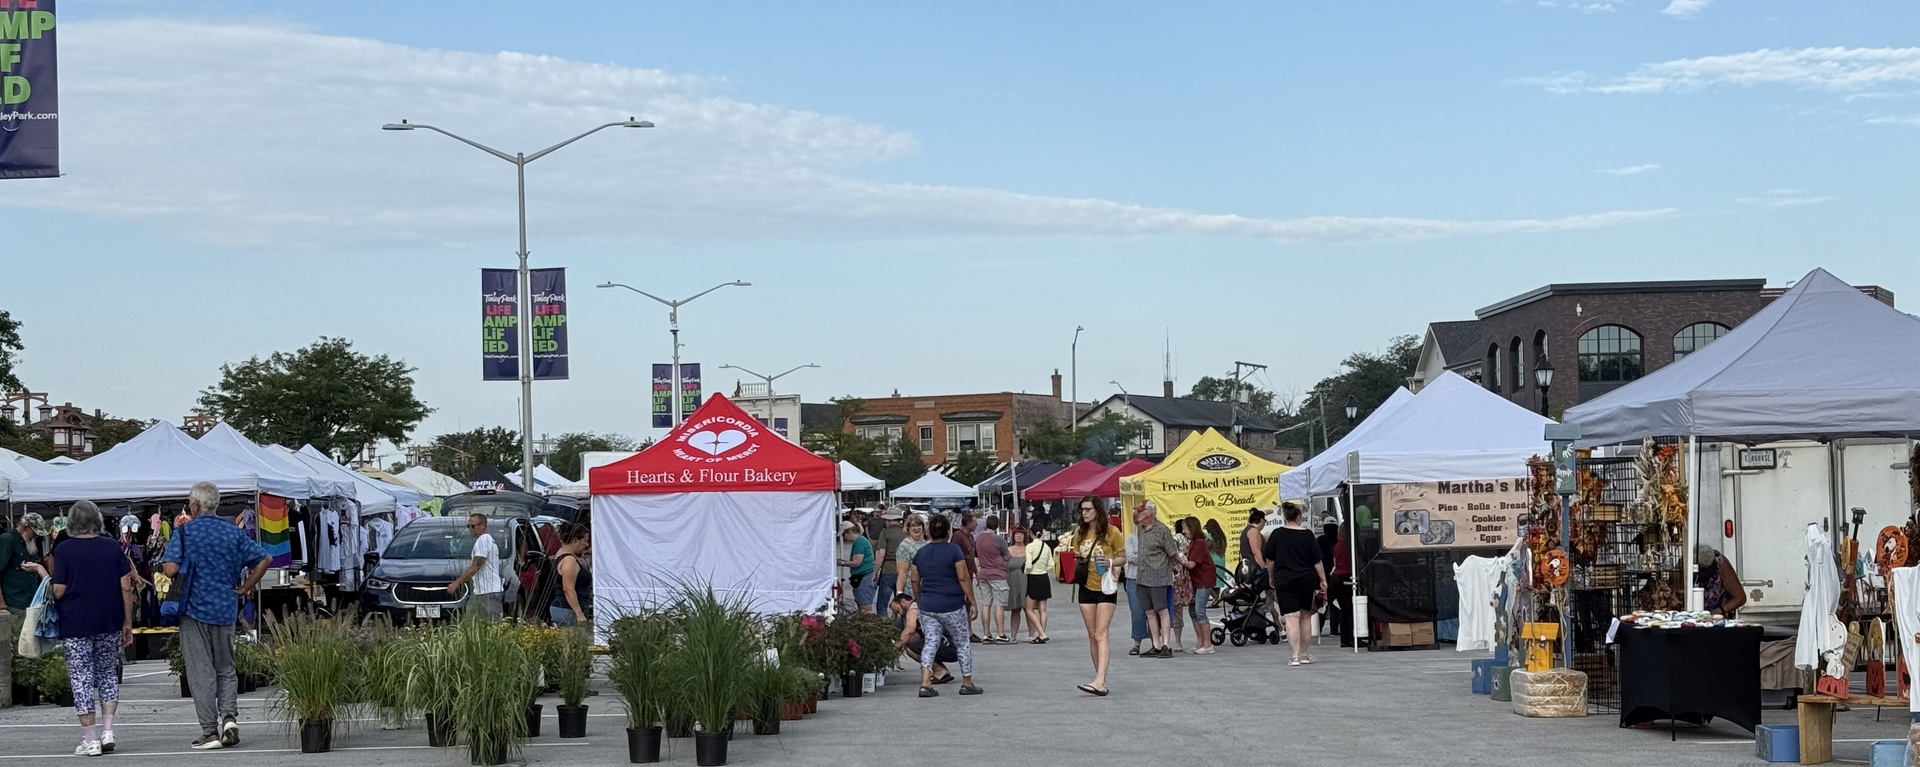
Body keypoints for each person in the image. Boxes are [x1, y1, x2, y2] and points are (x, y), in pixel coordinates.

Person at [161, 481, 271, 750]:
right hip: (224, 607)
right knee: (226, 667)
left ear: (195, 505)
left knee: (201, 671)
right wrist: (245, 587)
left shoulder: (185, 532)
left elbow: (170, 570)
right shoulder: (232, 532)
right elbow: (264, 559)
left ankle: (210, 731)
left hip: (194, 608)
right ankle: (229, 718)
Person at [49, 501, 137, 757]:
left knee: (81, 678)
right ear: (97, 520)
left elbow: (59, 590)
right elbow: (126, 586)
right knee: (108, 673)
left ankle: (90, 740)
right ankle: (108, 731)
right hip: (109, 619)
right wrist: (127, 622)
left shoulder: (64, 550)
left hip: (76, 621)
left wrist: (44, 575)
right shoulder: (112, 547)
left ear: (72, 522)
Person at [908, 515, 983, 697]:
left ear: (929, 531)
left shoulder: (920, 553)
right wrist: (972, 601)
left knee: (930, 643)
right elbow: (963, 577)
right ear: (949, 531)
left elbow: (915, 580)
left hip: (928, 606)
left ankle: (925, 684)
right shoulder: (954, 551)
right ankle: (967, 683)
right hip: (952, 605)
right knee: (962, 643)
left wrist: (919, 600)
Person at [1262, 502, 1328, 667]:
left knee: (1291, 617)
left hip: (1285, 579)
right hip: (1306, 579)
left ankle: (1295, 656)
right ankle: (1305, 654)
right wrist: (1323, 579)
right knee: (1305, 616)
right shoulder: (1308, 535)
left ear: (1285, 517)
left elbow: (1270, 560)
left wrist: (1271, 577)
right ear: (1299, 517)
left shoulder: (1277, 534)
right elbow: (1317, 561)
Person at [1072, 496, 1126, 696]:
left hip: (1106, 586)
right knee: (1092, 635)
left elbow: (1123, 557)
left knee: (1101, 634)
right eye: (1082, 509)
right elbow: (1077, 555)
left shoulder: (1112, 532)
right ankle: (1099, 679)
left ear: (1097, 510)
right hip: (1086, 585)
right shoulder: (1080, 532)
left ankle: (1100, 680)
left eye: (1088, 509)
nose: (1084, 513)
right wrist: (1080, 560)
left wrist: (1110, 561)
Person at [1132, 501, 1181, 659]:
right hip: (1142, 576)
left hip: (1158, 576)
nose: (1137, 513)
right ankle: (1156, 644)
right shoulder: (1141, 529)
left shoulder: (1162, 530)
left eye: (1140, 511)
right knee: (1149, 611)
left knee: (1162, 609)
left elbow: (1172, 552)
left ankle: (1166, 645)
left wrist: (1178, 567)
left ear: (1150, 512)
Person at [889, 592, 958, 684]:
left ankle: (939, 670)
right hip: (953, 645)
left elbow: (909, 630)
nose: (899, 615)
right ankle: (942, 670)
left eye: (898, 611)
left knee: (911, 649)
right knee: (913, 644)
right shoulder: (921, 606)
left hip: (949, 645)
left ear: (903, 601)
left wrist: (896, 647)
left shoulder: (913, 609)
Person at [447, 513, 504, 620]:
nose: (470, 529)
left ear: (482, 526)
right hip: (479, 592)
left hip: (488, 592)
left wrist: (457, 582)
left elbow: (477, 565)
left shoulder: (484, 540)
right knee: (469, 623)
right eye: (468, 526)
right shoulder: (484, 540)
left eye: (473, 526)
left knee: (493, 624)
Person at [0, 512, 52, 614]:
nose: (36, 536)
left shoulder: (29, 542)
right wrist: (1, 603)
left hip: (31, 601)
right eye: (34, 532)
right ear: (25, 527)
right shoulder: (7, 540)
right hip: (14, 603)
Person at [1179, 517, 1218, 654]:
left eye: (1185, 528)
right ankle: (1200, 642)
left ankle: (1208, 644)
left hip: (1204, 581)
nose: (1183, 531)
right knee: (1193, 611)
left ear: (1192, 528)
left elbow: (1191, 564)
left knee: (1200, 611)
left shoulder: (1200, 543)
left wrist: (1179, 559)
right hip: (1195, 581)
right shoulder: (1192, 543)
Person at [973, 516, 1010, 642]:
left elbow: (976, 555)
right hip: (997, 574)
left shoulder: (978, 539)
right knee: (999, 605)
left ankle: (986, 634)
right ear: (997, 526)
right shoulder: (998, 539)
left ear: (986, 525)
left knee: (986, 604)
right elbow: (1007, 556)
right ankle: (1001, 634)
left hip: (983, 573)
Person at [549, 522, 593, 626]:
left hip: (566, 609)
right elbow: (568, 588)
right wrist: (579, 614)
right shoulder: (569, 560)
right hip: (567, 610)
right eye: (585, 541)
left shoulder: (562, 553)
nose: (587, 545)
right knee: (573, 637)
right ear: (575, 540)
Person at [1021, 527, 1055, 643]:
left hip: (1033, 578)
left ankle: (1041, 633)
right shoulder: (1046, 547)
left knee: (1029, 609)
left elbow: (1028, 564)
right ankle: (1041, 634)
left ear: (1030, 533)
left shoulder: (1030, 547)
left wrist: (1026, 571)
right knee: (1042, 610)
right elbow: (1051, 564)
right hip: (1044, 577)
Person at [874, 509, 908, 619]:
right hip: (904, 571)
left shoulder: (885, 533)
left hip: (888, 570)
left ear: (888, 520)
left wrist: (875, 572)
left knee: (882, 605)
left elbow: (881, 554)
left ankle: (884, 626)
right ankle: (903, 625)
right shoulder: (906, 532)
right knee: (902, 603)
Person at [1696, 544, 1747, 617]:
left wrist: (1719, 610)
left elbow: (1740, 597)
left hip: (1718, 615)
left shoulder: (1721, 563)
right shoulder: (1687, 561)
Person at [838, 521, 877, 613]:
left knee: (865, 608)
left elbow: (857, 562)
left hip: (864, 577)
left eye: (843, 535)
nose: (843, 537)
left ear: (849, 532)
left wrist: (842, 563)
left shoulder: (859, 542)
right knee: (862, 606)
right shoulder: (861, 540)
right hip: (863, 576)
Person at [953, 512, 981, 639]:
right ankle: (961, 630)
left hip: (969, 573)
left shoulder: (970, 537)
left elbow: (972, 555)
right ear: (968, 524)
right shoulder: (958, 537)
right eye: (974, 522)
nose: (976, 525)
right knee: (961, 602)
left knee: (969, 602)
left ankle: (969, 631)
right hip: (960, 575)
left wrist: (975, 571)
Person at [1329, 520, 1355, 647]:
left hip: (1336, 577)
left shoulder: (1338, 545)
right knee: (1350, 609)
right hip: (1346, 576)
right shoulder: (1350, 545)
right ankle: (1351, 637)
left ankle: (1345, 638)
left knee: (1343, 608)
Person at [1005, 525, 1031, 643]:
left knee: (1028, 609)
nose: (1019, 536)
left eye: (1021, 534)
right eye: (1017, 534)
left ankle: (1032, 634)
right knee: (1015, 609)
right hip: (1012, 583)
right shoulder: (1008, 550)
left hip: (1026, 581)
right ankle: (1013, 635)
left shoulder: (1029, 549)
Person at [894, 514, 930, 598]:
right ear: (908, 528)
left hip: (926, 588)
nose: (916, 528)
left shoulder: (926, 544)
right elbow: (902, 573)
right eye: (913, 526)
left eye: (918, 525)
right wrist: (899, 593)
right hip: (911, 590)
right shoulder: (904, 546)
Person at [1317, 518, 1340, 635]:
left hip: (1322, 575)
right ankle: (1334, 629)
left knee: (1322, 603)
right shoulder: (1339, 541)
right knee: (1335, 603)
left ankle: (1319, 629)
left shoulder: (1320, 540)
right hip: (1336, 575)